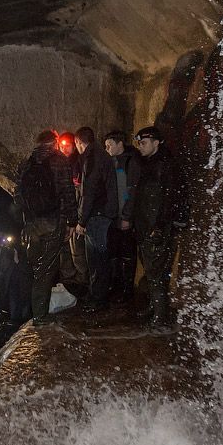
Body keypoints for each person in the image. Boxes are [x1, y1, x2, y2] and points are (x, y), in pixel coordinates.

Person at [14, 130, 77, 326]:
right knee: (45, 269)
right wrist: (72, 222)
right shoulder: (60, 161)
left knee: (38, 268)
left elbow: (17, 196)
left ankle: (37, 310)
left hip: (33, 224)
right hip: (53, 221)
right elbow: (68, 192)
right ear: (55, 142)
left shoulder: (26, 164)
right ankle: (40, 316)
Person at [131, 127, 190, 334]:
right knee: (150, 269)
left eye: (144, 143)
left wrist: (159, 227)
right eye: (139, 143)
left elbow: (169, 200)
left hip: (157, 228)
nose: (140, 147)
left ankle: (161, 318)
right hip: (145, 226)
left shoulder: (166, 166)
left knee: (156, 272)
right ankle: (155, 307)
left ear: (156, 142)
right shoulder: (147, 164)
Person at [73, 126, 118, 312]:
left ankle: (98, 299)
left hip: (97, 215)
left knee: (96, 258)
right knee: (100, 257)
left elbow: (88, 193)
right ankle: (100, 294)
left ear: (79, 142)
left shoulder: (91, 159)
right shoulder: (101, 155)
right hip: (103, 213)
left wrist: (81, 221)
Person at [104, 130, 143, 303]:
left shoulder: (131, 162)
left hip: (125, 217)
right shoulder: (109, 162)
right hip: (112, 217)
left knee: (127, 254)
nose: (107, 148)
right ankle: (115, 286)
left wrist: (127, 216)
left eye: (109, 145)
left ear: (120, 144)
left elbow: (132, 191)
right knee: (113, 253)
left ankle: (127, 290)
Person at [57, 133, 89, 293]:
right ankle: (68, 281)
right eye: (61, 146)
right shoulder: (57, 164)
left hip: (75, 214)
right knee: (64, 251)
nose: (64, 148)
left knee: (77, 251)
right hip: (62, 214)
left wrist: (77, 218)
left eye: (67, 145)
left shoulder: (79, 163)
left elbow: (79, 192)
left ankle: (82, 282)